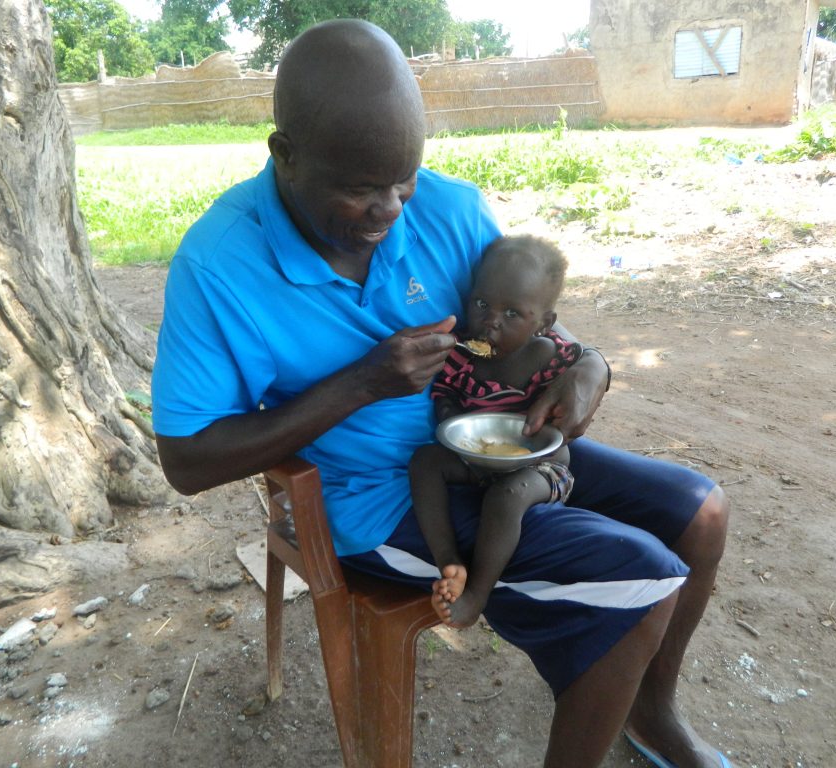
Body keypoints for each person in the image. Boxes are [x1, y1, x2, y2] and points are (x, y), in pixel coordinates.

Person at [151, 18, 731, 768]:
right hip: (372, 502)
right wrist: (363, 383)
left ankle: (650, 711)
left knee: (700, 513)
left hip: (489, 444)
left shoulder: (449, 212)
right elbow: (187, 462)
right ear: (285, 156)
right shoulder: (219, 266)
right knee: (639, 573)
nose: (391, 211)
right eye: (361, 189)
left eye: (403, 181)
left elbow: (515, 332)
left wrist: (588, 367)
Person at [409, 234, 581, 628]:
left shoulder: (553, 359)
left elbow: (566, 417)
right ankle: (450, 563)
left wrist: (554, 421)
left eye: (512, 314)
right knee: (424, 462)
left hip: (541, 469)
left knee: (507, 495)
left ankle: (477, 595)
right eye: (482, 304)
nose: (491, 322)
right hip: (478, 457)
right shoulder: (463, 353)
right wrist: (449, 414)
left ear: (544, 322)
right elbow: (446, 392)